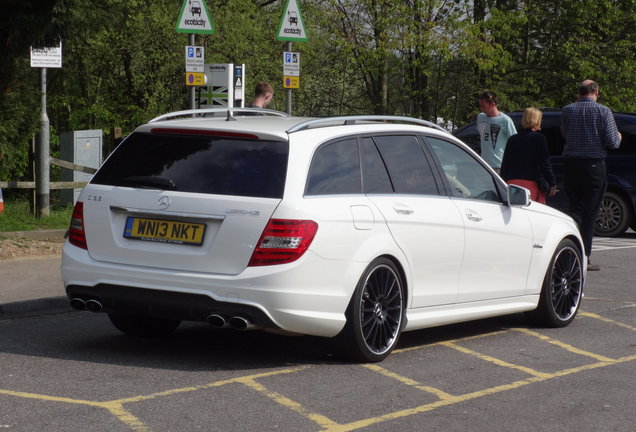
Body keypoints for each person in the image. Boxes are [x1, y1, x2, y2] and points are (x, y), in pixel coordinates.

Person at [561, 79, 621, 271]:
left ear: (579, 92)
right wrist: (619, 136)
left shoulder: (567, 110)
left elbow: (564, 133)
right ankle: (585, 256)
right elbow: (612, 142)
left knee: (575, 210)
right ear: (596, 92)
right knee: (590, 213)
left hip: (571, 164)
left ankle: (571, 253)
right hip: (594, 165)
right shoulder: (603, 111)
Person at [501, 108, 557, 204]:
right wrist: (552, 183)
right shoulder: (539, 138)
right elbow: (545, 163)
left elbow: (505, 163)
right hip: (530, 183)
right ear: (537, 120)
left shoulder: (512, 139)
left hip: (512, 183)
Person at [477, 91, 517, 173]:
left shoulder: (505, 120)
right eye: (480, 105)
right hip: (484, 164)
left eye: (483, 106)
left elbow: (515, 142)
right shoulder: (480, 117)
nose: (481, 108)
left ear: (493, 104)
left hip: (499, 166)